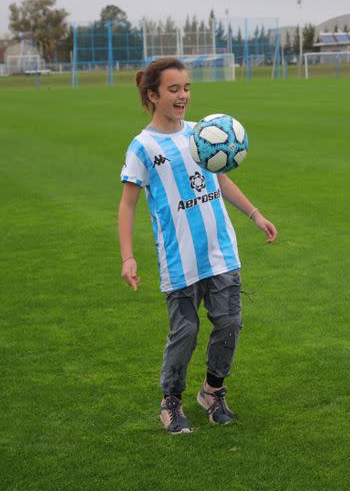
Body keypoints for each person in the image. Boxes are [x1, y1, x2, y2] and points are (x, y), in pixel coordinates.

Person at [118, 57, 277, 435]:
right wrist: (128, 256)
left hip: (220, 251)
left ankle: (213, 391)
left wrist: (255, 214)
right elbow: (127, 204)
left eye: (186, 88)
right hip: (180, 260)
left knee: (230, 323)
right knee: (185, 333)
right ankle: (171, 401)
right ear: (153, 95)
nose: (183, 96)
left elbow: (220, 181)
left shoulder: (201, 135)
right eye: (174, 89)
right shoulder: (141, 147)